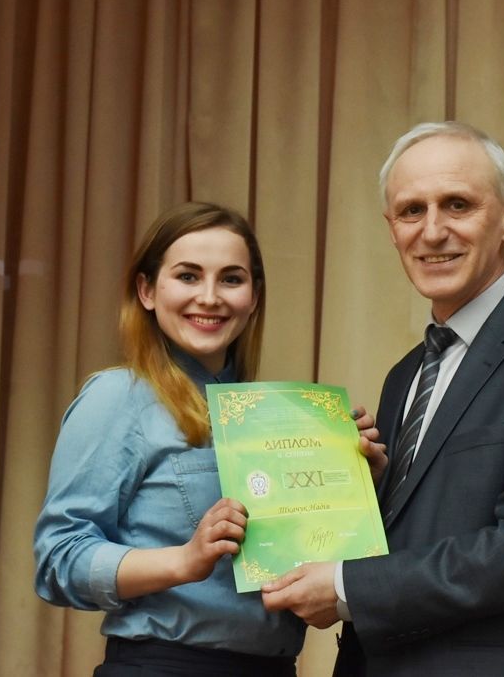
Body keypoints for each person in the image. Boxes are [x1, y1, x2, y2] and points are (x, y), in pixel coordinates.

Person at [261, 122, 504, 676]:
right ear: (392, 229)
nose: (432, 232)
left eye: (457, 204)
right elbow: (427, 526)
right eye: (412, 211)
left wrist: (343, 587)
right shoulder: (405, 375)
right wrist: (360, 489)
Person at [33, 202, 305, 676]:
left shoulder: (270, 418)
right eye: (188, 276)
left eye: (231, 279)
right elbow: (58, 559)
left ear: (254, 297)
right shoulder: (119, 396)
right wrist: (184, 561)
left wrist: (355, 473)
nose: (210, 297)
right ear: (146, 290)